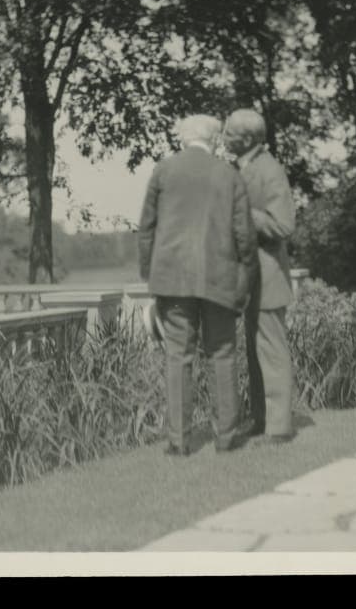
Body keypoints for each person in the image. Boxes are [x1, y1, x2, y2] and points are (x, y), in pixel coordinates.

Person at [139, 114, 259, 456]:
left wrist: (151, 275)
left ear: (182, 137)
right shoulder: (228, 173)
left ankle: (178, 441)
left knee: (178, 356)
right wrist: (244, 278)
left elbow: (147, 227)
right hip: (219, 276)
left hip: (173, 278)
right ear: (216, 139)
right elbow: (245, 236)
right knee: (222, 353)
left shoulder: (164, 170)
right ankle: (226, 436)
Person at [223, 109, 297, 446]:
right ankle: (262, 419)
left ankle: (279, 428)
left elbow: (283, 225)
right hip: (251, 277)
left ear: (249, 139)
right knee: (255, 352)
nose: (223, 139)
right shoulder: (242, 168)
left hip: (268, 277)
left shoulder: (270, 171)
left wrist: (242, 212)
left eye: (229, 134)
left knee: (271, 350)